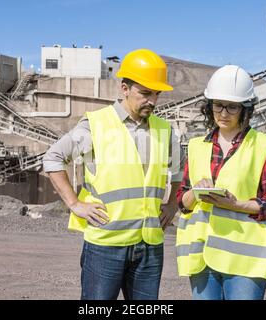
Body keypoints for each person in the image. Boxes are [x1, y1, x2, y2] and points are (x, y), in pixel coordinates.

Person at [43, 49, 184, 300]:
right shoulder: (95, 124)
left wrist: (172, 204)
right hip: (106, 244)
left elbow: (177, 171)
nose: (152, 100)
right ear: (124, 88)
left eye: (156, 94)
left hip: (149, 246)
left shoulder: (165, 130)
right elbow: (53, 158)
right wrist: (74, 204)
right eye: (145, 93)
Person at [175, 65, 266, 300]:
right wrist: (196, 192)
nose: (223, 113)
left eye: (232, 107)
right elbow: (182, 203)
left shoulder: (263, 145)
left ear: (246, 109)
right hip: (202, 257)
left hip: (245, 262)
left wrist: (236, 204)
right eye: (218, 105)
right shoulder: (196, 146)